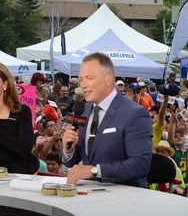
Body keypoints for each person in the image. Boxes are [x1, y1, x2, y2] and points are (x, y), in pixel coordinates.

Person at [63, 52, 153, 188]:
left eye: (89, 78)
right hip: (88, 195)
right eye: (81, 79)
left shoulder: (135, 114)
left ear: (108, 78)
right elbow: (71, 162)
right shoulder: (84, 111)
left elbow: (140, 164)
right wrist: (68, 149)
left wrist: (94, 170)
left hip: (125, 197)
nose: (83, 85)